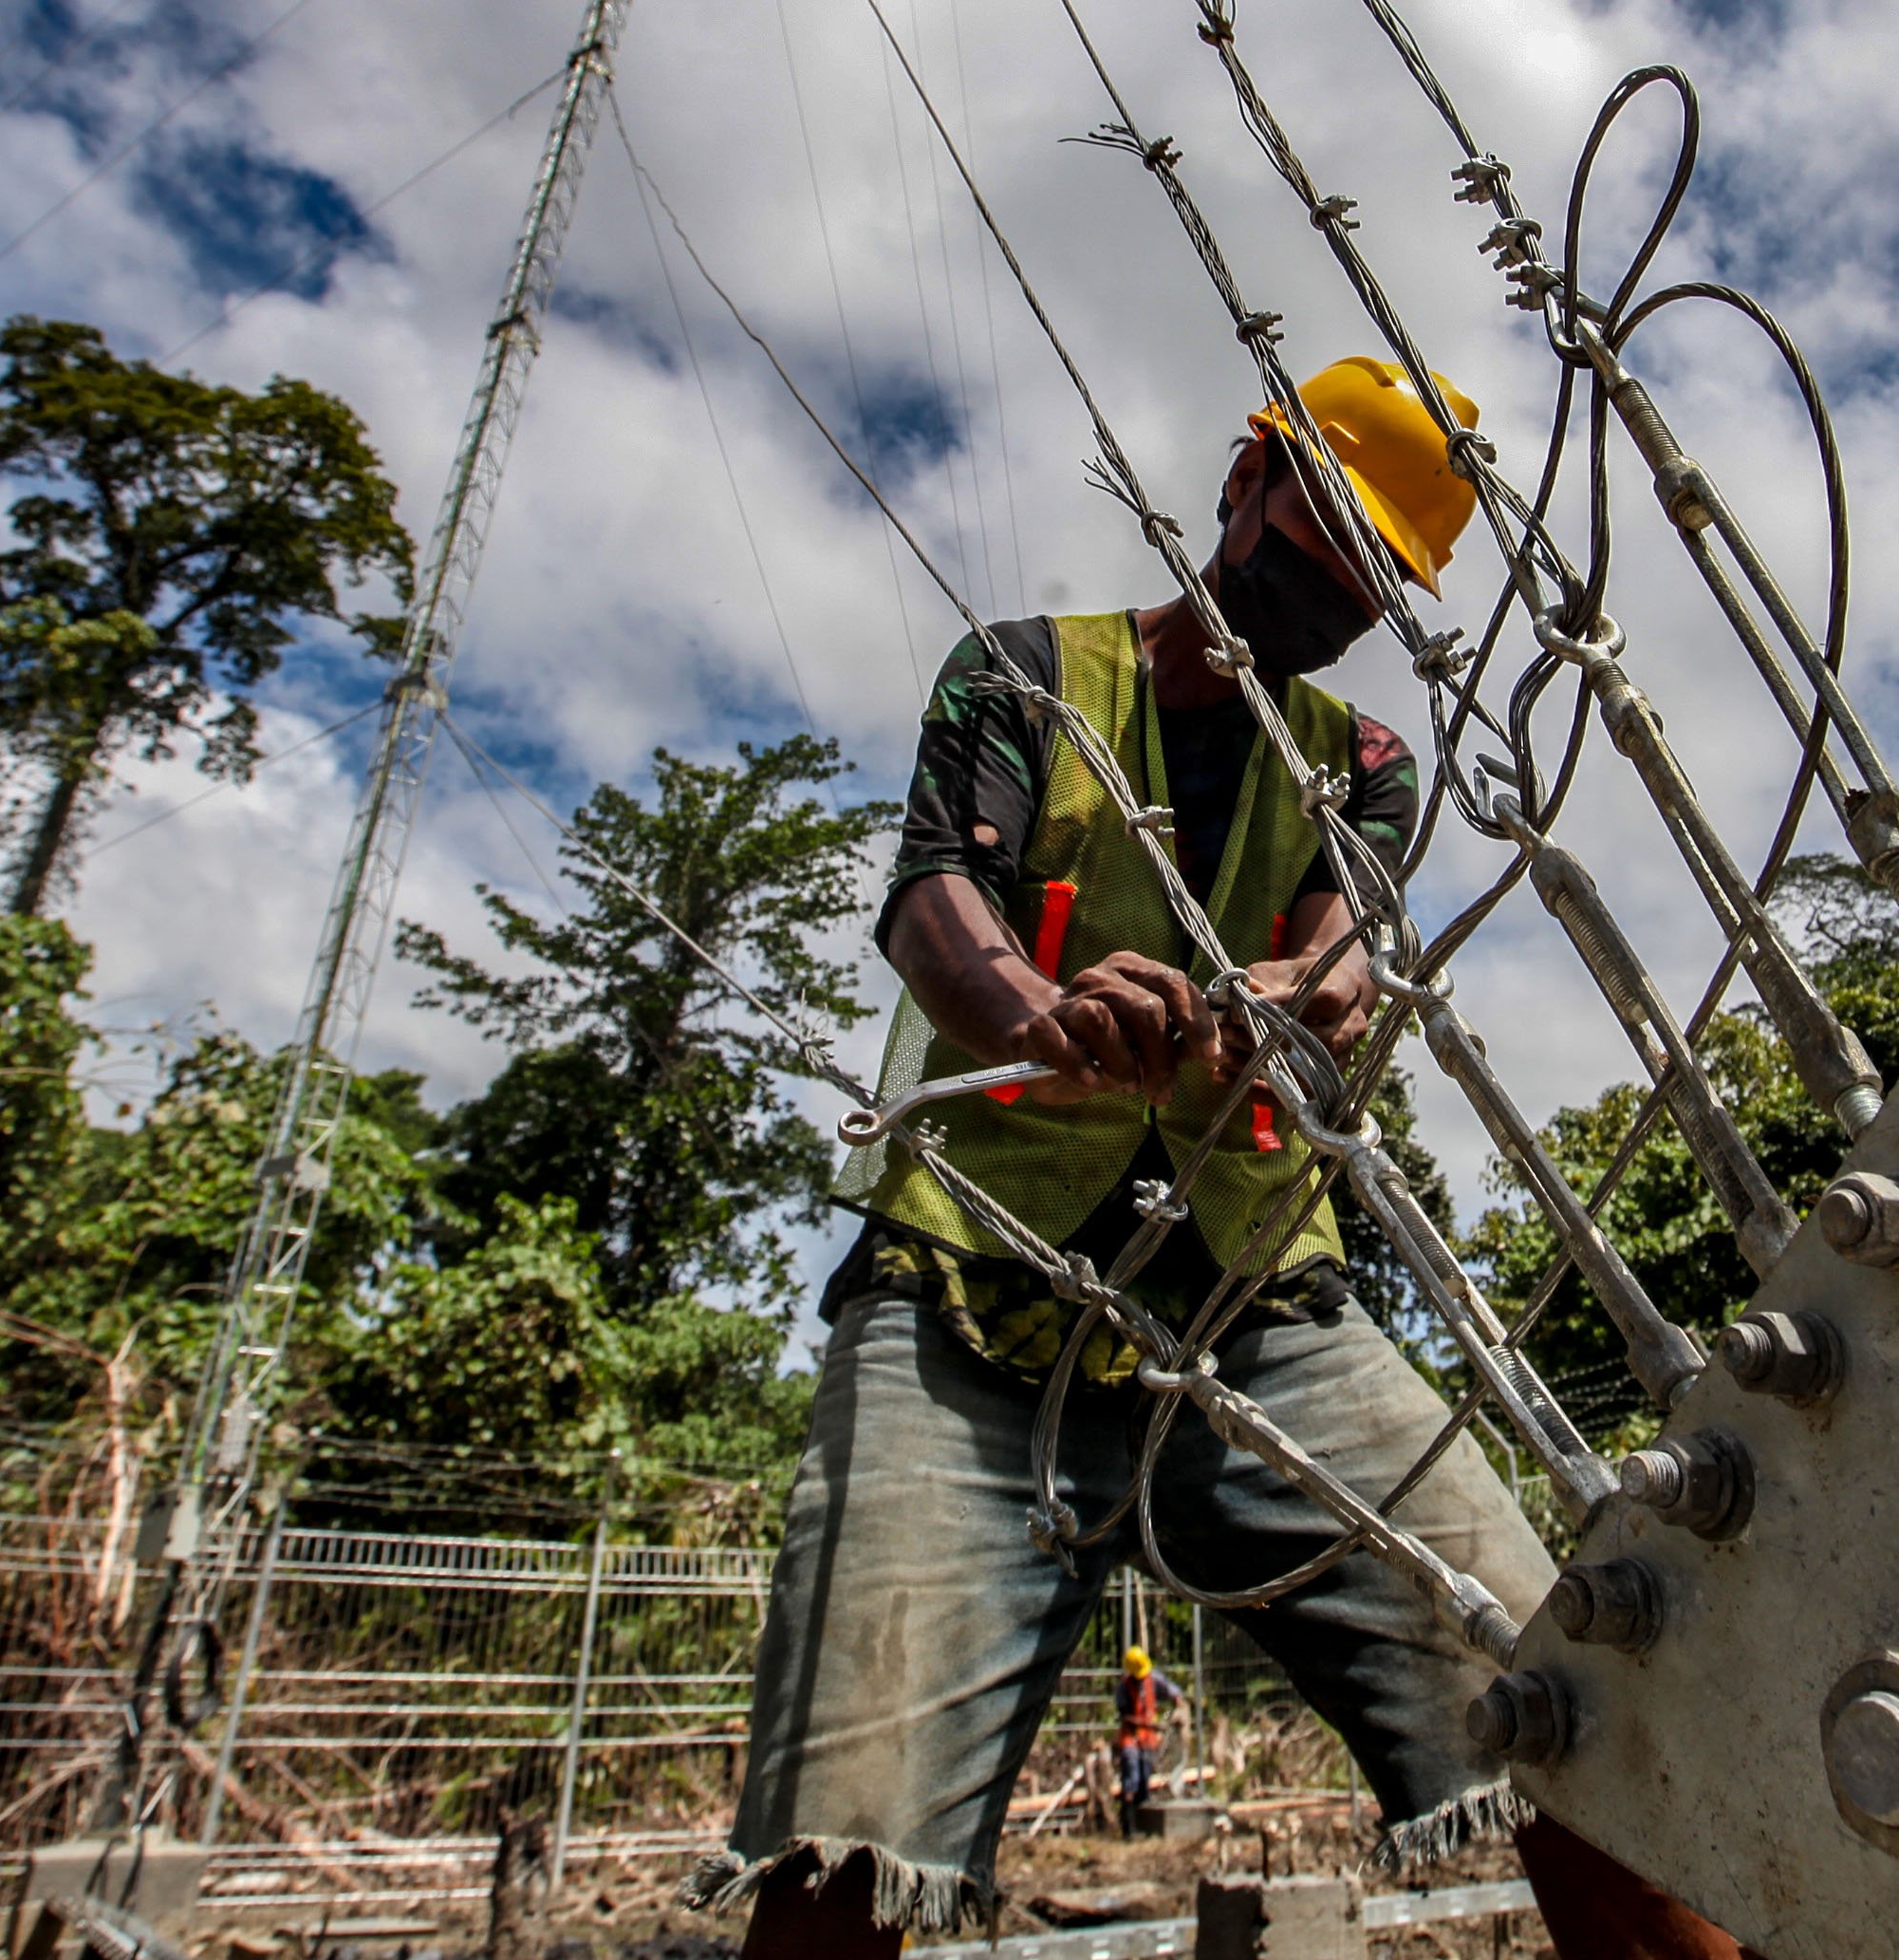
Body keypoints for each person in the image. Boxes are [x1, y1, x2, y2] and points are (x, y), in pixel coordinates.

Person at [692, 358, 1740, 1960]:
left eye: (1379, 573)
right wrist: (1038, 1012)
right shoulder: (1023, 679)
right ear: (1245, 483)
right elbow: (934, 902)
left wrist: (1302, 1004)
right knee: (848, 1829)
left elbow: (1345, 951)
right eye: (1326, 532)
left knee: (1561, 1700)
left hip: (1259, 1304)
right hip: (969, 1303)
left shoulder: (1364, 764)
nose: (1340, 588)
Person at [1112, 1645, 1186, 1835]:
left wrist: (1178, 1703)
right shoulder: (1123, 1688)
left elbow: (1173, 1691)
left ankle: (1143, 1824)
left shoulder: (1153, 1679)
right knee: (1132, 1778)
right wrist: (1150, 1725)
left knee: (1145, 1777)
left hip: (1148, 1739)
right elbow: (1125, 1718)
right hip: (1130, 1738)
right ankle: (1128, 1827)